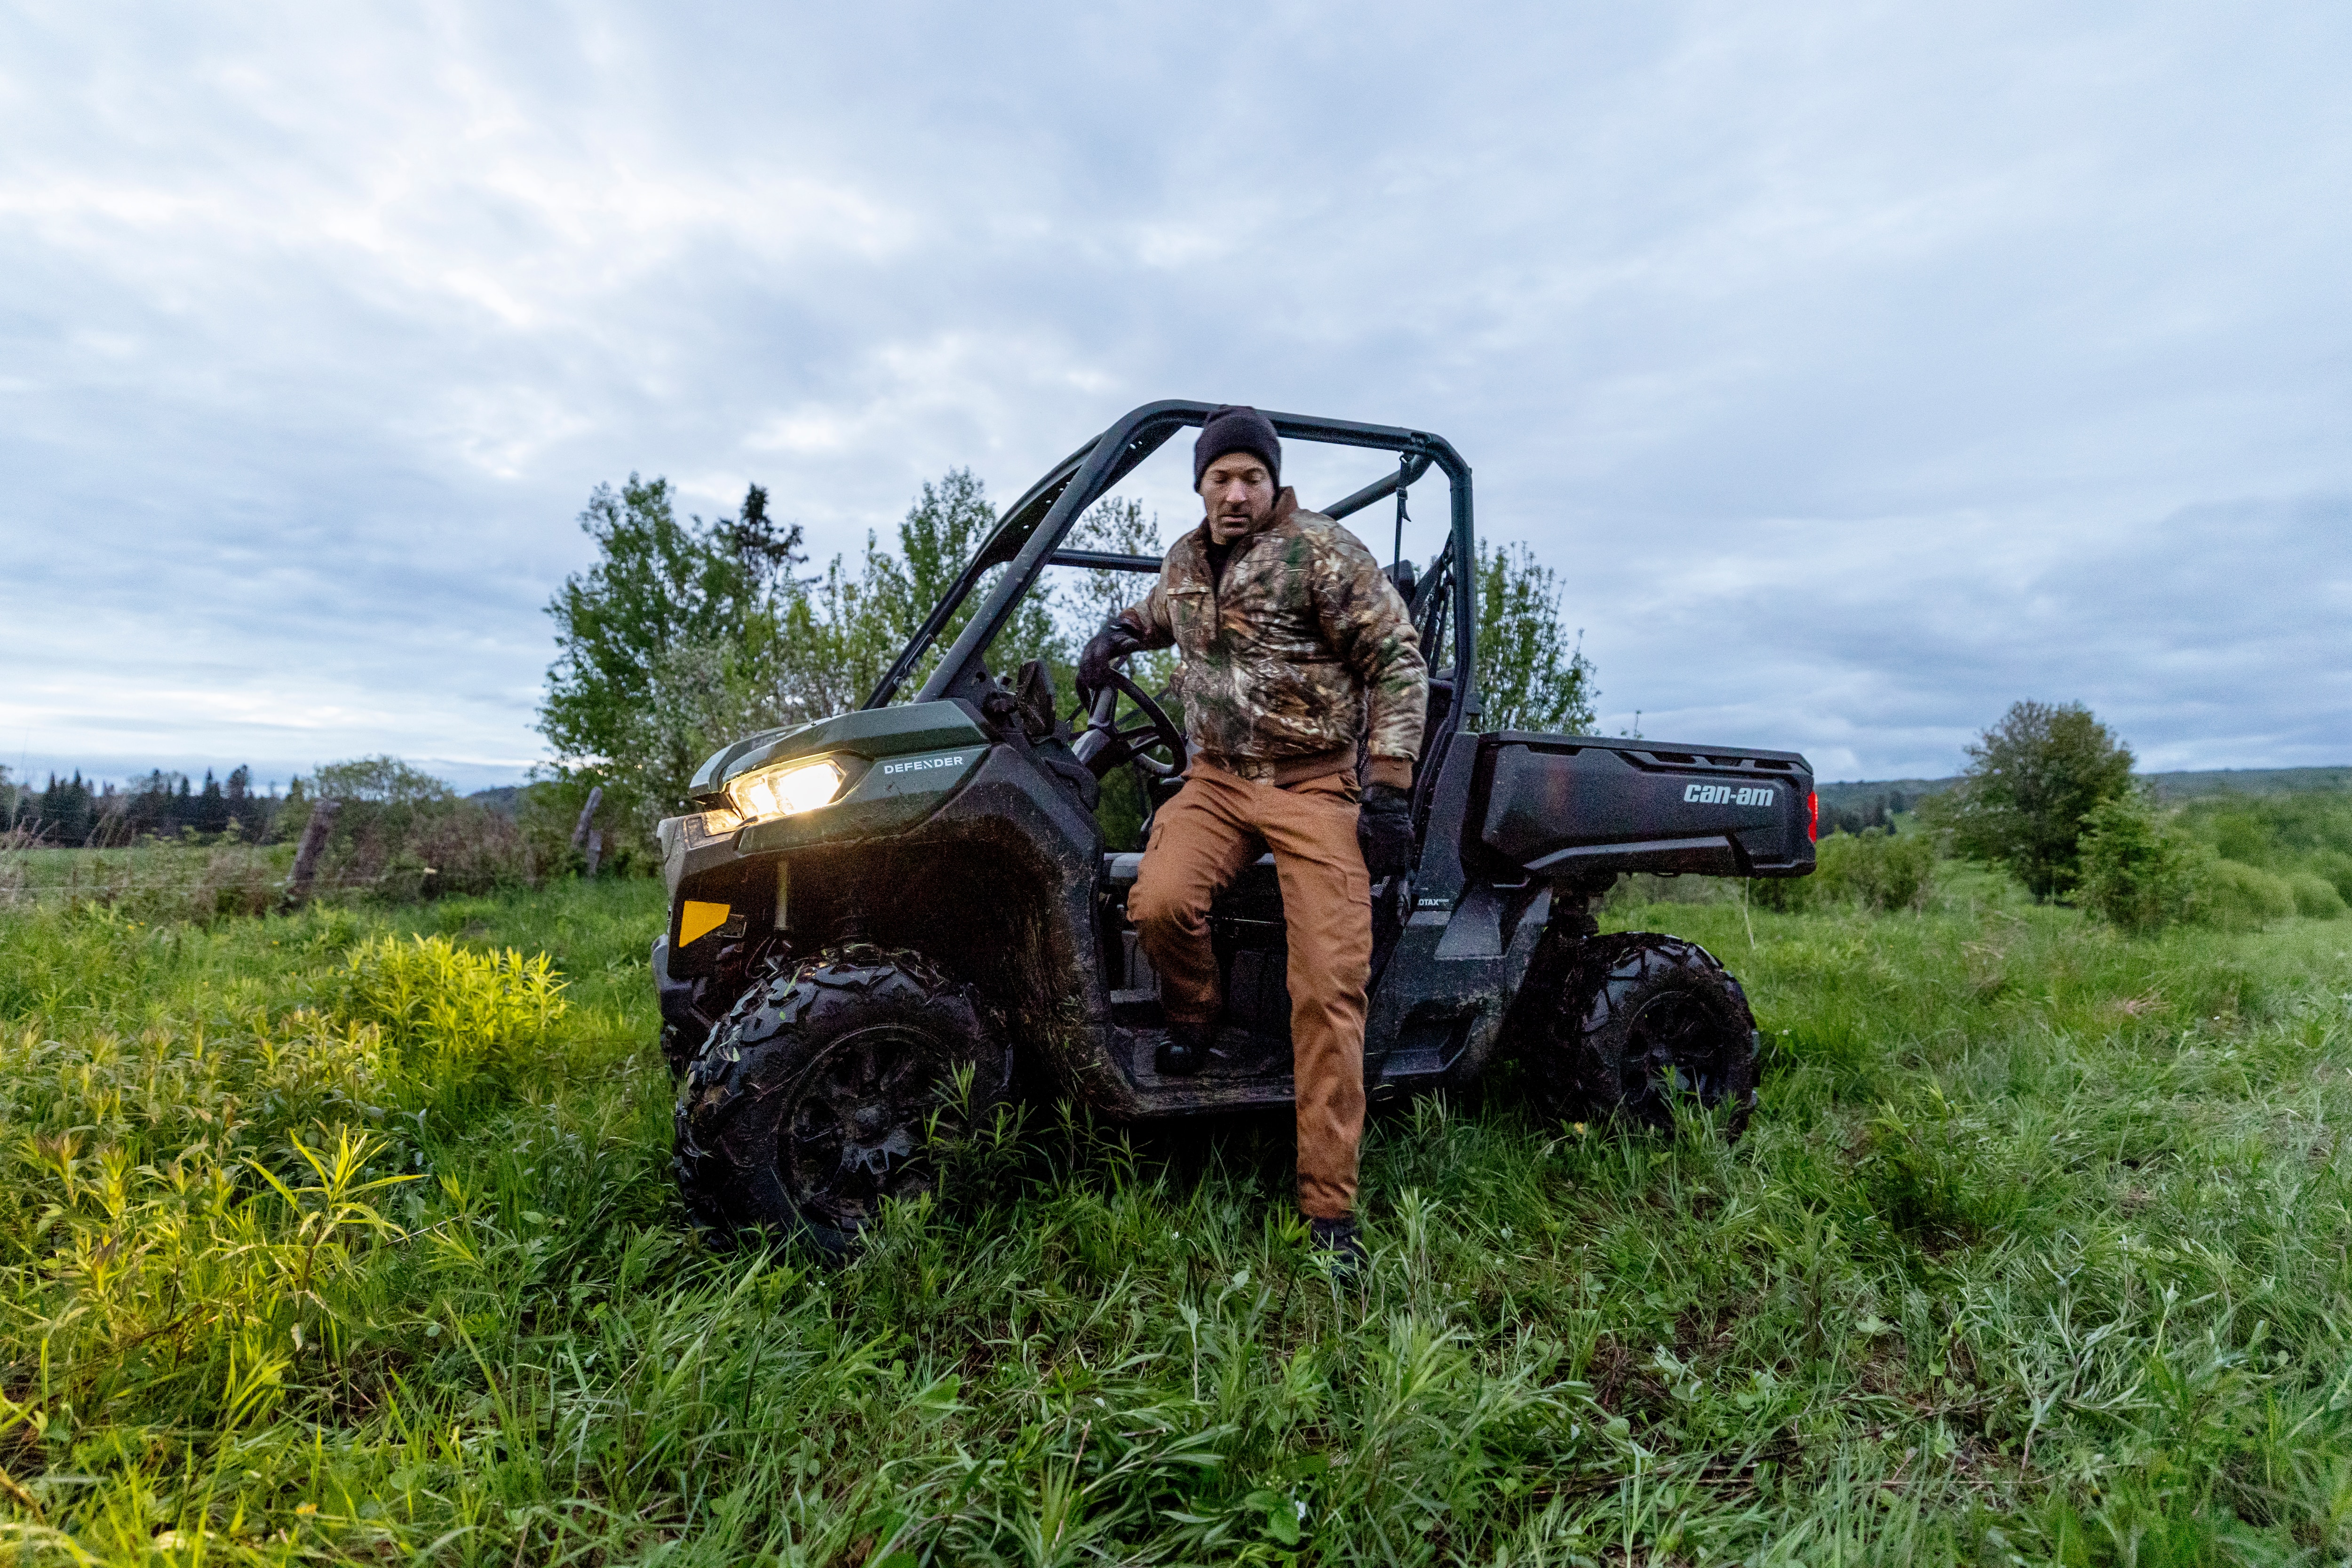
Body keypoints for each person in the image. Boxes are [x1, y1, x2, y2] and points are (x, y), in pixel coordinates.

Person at [1078, 405, 1427, 1271]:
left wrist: (1386, 790)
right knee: (1157, 902)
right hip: (1219, 779)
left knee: (1329, 983)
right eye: (1219, 478)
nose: (1235, 492)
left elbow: (1397, 660)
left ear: (1272, 484)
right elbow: (1168, 609)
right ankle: (1197, 1016)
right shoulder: (1188, 560)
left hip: (1314, 785)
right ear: (1200, 486)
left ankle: (1329, 1207)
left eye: (1251, 477)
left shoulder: (1323, 551)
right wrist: (1118, 629)